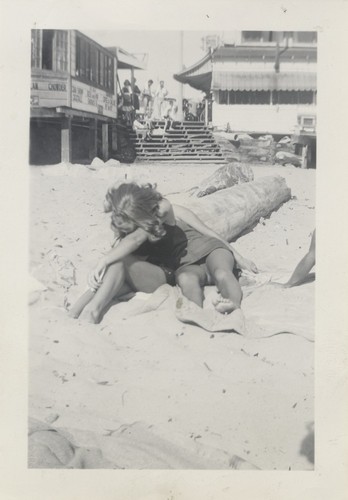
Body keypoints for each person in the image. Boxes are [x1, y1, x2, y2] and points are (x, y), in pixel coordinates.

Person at [68, 182, 257, 323]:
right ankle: (87, 311)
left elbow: (209, 232)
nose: (129, 231)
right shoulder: (129, 233)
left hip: (188, 259)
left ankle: (233, 305)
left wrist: (238, 257)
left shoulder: (164, 209)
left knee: (221, 272)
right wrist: (80, 302)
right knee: (118, 269)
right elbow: (120, 257)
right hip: (176, 268)